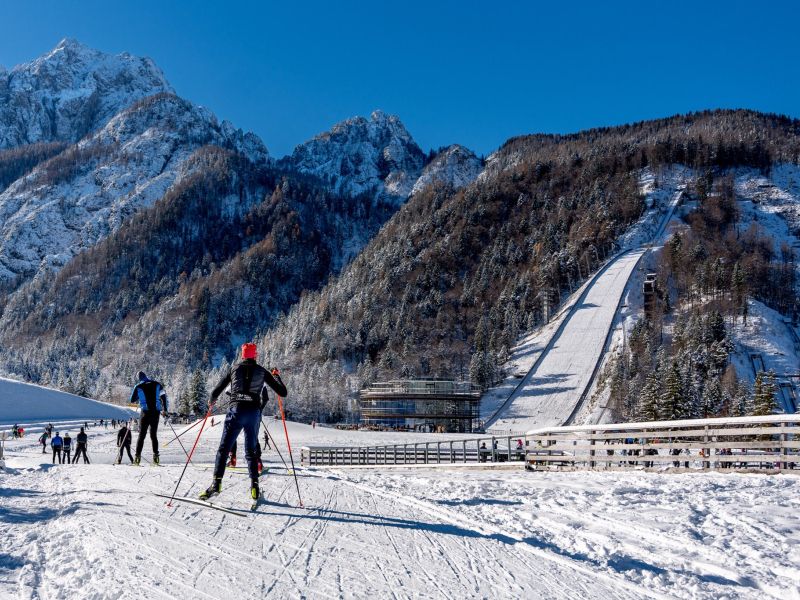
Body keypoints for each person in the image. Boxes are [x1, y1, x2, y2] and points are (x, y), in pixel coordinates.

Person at [200, 343, 286, 502]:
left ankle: (216, 484)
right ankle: (254, 487)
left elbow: (216, 391)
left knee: (224, 448)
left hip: (236, 411)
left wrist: (211, 402)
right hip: (253, 413)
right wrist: (276, 376)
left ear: (243, 355)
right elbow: (283, 392)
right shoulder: (262, 371)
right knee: (251, 452)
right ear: (255, 355)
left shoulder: (234, 369)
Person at [129, 371, 168, 465]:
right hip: (156, 412)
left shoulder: (138, 386)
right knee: (153, 435)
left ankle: (137, 458)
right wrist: (165, 410)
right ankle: (156, 458)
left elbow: (132, 400)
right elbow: (164, 397)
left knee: (141, 435)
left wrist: (140, 397)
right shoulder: (157, 384)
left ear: (139, 378)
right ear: (147, 376)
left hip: (145, 412)